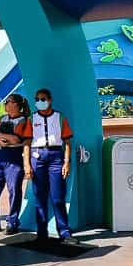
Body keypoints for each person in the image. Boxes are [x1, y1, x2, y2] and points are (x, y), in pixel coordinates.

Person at [19, 88, 77, 245]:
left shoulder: (60, 117)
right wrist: (27, 165)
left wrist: (67, 162)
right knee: (39, 197)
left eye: (43, 99)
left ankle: (64, 232)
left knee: (58, 197)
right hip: (37, 157)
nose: (40, 102)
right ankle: (42, 233)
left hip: (56, 157)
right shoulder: (32, 119)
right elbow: (27, 143)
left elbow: (67, 142)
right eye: (37, 99)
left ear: (50, 100)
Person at [0, 93, 29, 234]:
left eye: (8, 102)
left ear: (16, 105)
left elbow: (16, 139)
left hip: (13, 157)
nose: (6, 104)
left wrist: (1, 136)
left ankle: (12, 222)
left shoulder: (24, 120)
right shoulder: (2, 119)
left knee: (14, 191)